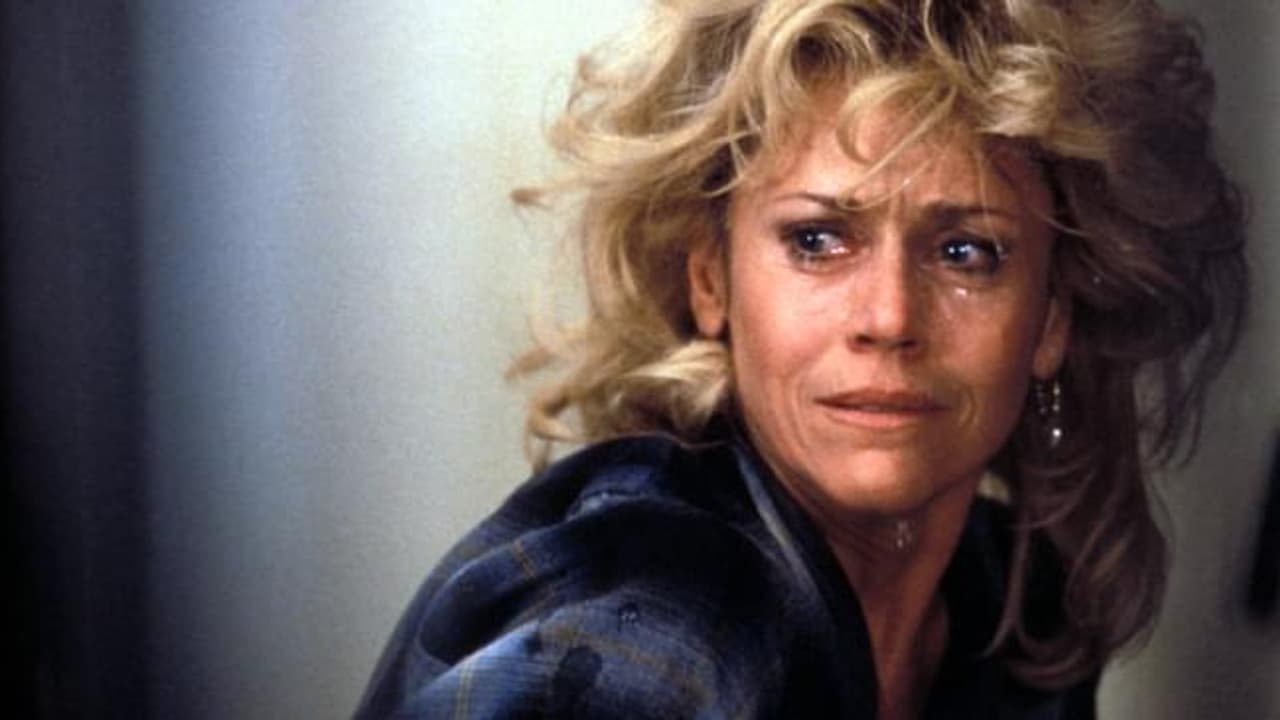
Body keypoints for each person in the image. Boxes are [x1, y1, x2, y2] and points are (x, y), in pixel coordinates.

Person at [356, 0, 1247, 717]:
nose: (889, 317)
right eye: (818, 240)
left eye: (966, 252)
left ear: (1051, 316)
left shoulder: (1013, 615)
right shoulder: (643, 637)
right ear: (711, 281)